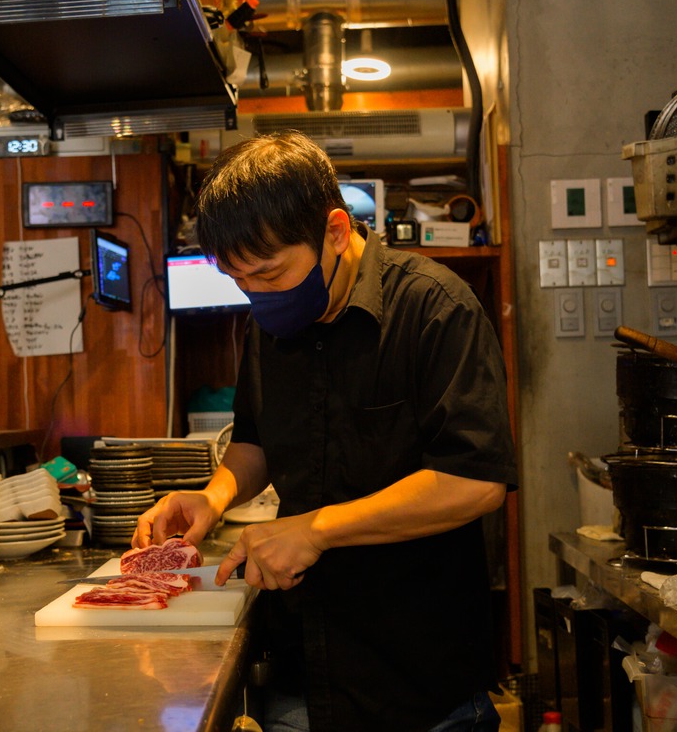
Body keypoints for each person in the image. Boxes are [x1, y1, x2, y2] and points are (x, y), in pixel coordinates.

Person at [132, 131, 518, 732]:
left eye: (269, 273)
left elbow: (475, 481)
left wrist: (317, 530)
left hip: (417, 684)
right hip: (301, 679)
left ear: (335, 231)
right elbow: (256, 439)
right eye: (241, 283)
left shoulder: (436, 308)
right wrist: (213, 496)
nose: (258, 297)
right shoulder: (270, 324)